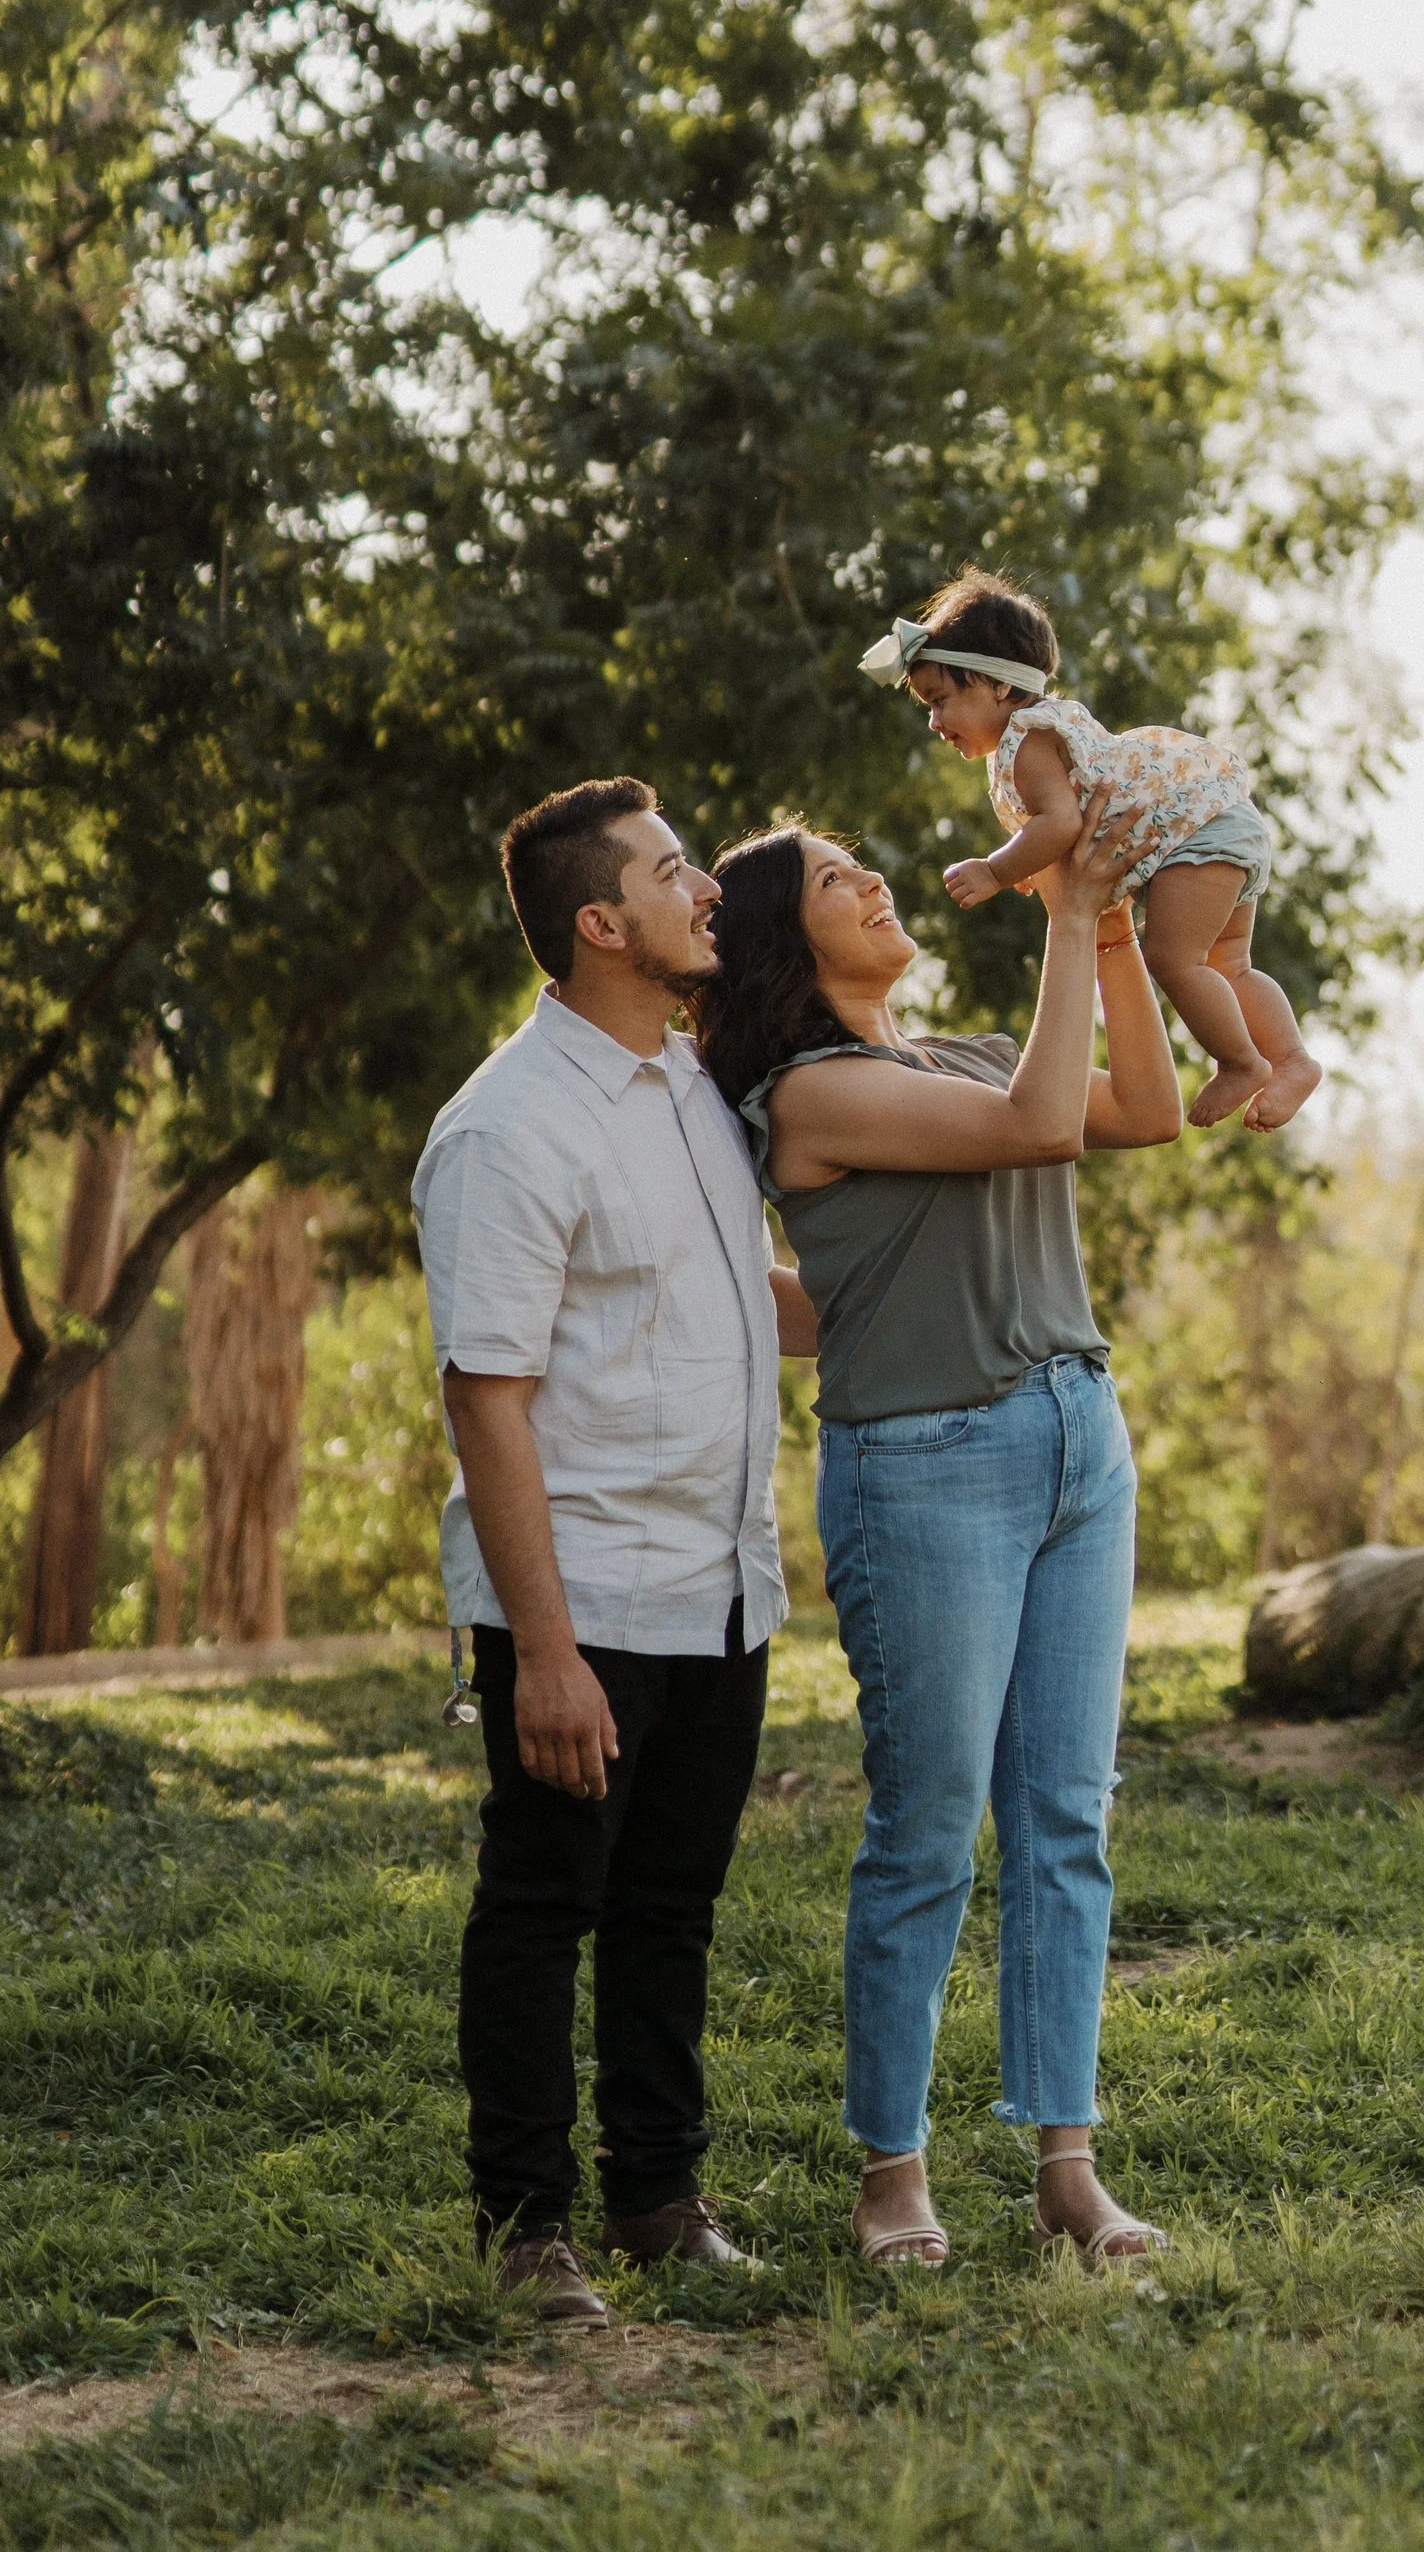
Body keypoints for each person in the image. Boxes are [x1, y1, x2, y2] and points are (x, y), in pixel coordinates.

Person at [689, 782, 1181, 2270]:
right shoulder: (811, 1096)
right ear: (790, 936)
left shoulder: (961, 1056)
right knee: (925, 1834)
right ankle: (891, 2174)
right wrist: (1070, 907)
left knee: (1066, 1823)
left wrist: (1116, 945)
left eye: (863, 864)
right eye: (840, 878)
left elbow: (1140, 1111)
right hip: (928, 1467)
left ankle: (1066, 2164)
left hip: (1077, 1437)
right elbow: (1044, 1124)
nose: (876, 881)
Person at [414, 775, 814, 2327]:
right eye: (671, 869)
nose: (705, 884)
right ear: (602, 922)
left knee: (671, 1907)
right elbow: (486, 1395)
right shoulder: (506, 1128)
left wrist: (923, 1294)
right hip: (581, 1593)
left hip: (725, 1588)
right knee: (542, 1904)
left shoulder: (699, 1096)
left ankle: (658, 2196)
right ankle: (527, 2227)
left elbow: (746, 1296)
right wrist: (550, 1650)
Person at [861, 572, 1321, 1133]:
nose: (935, 722)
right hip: (1220, 824)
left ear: (1000, 686)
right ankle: (1293, 1060)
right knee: (1230, 967)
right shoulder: (1030, 740)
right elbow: (1056, 834)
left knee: (1174, 960)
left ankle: (1243, 1061)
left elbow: (1060, 824)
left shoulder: (1027, 742)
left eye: (941, 700)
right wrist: (1034, 865)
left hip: (1195, 836)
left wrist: (997, 871)